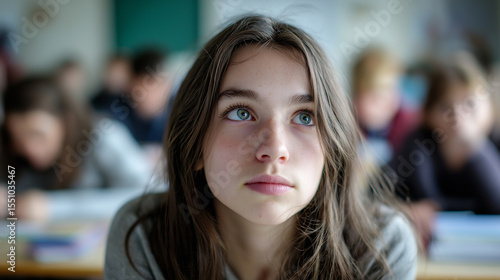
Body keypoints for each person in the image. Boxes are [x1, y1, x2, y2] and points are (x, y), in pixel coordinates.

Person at [105, 15, 417, 279]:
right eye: (241, 113)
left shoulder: (382, 246)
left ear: (331, 150)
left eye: (305, 116)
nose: (274, 149)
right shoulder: (144, 237)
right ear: (195, 142)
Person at [0, 76, 154, 221]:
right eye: (18, 138)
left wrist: (52, 207)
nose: (29, 148)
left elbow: (147, 195)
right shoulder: (13, 152)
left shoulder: (104, 136)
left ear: (66, 122)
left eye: (37, 135)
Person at [390, 52, 500, 248]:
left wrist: (476, 148)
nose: (458, 116)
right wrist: (405, 210)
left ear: (489, 108)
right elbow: (372, 195)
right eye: (445, 107)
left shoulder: (495, 143)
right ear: (428, 114)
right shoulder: (417, 146)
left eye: (470, 104)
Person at [352, 49, 420, 166]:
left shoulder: (410, 125)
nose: (387, 101)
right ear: (356, 96)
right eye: (375, 96)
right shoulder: (346, 123)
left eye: (393, 91)